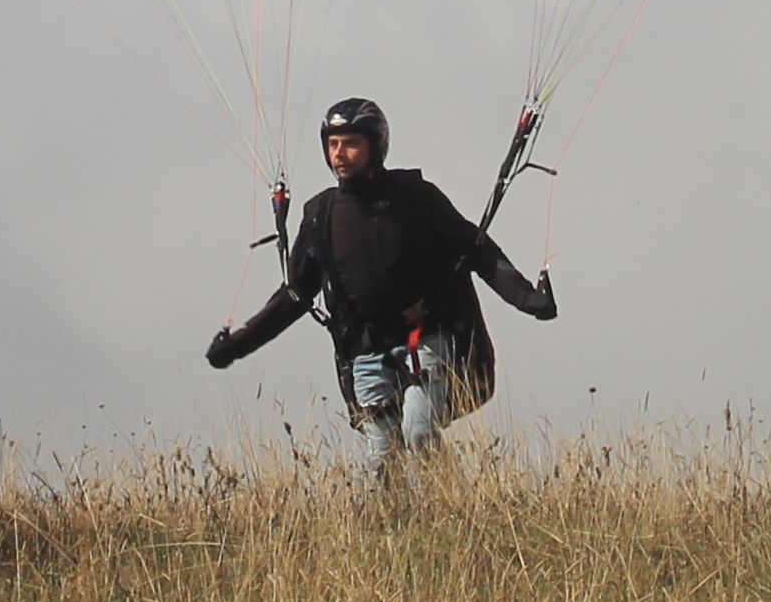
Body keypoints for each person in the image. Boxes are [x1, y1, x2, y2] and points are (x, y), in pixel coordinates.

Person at [206, 96, 558, 476]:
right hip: (364, 350)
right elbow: (295, 295)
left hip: (426, 338)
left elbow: (475, 250)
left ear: (376, 146)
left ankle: (453, 511)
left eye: (351, 143)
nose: (340, 154)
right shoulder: (320, 214)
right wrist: (239, 344)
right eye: (333, 144)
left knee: (419, 431)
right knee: (381, 455)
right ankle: (393, 530)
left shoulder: (415, 197)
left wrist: (526, 298)